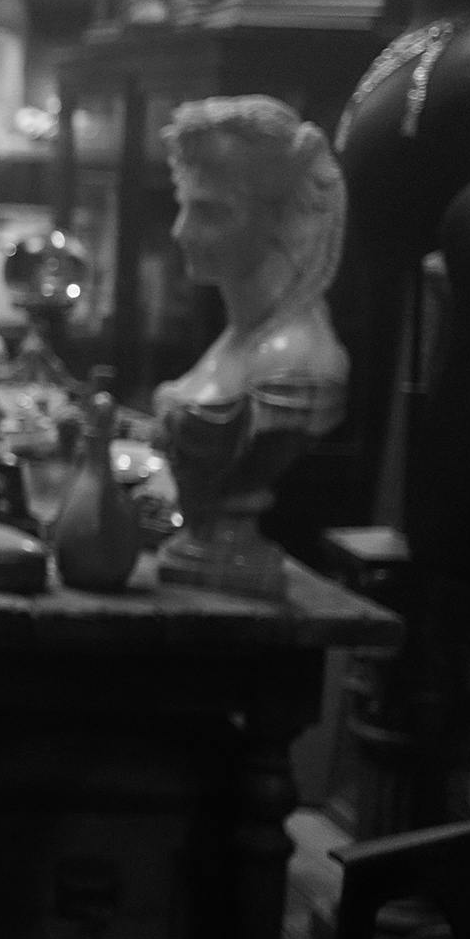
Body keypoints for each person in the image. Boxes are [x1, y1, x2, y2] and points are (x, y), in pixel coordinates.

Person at [149, 95, 349, 597]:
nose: (181, 232)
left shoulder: (297, 362)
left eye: (211, 213)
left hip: (231, 567)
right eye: (184, 208)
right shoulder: (236, 341)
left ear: (280, 218)